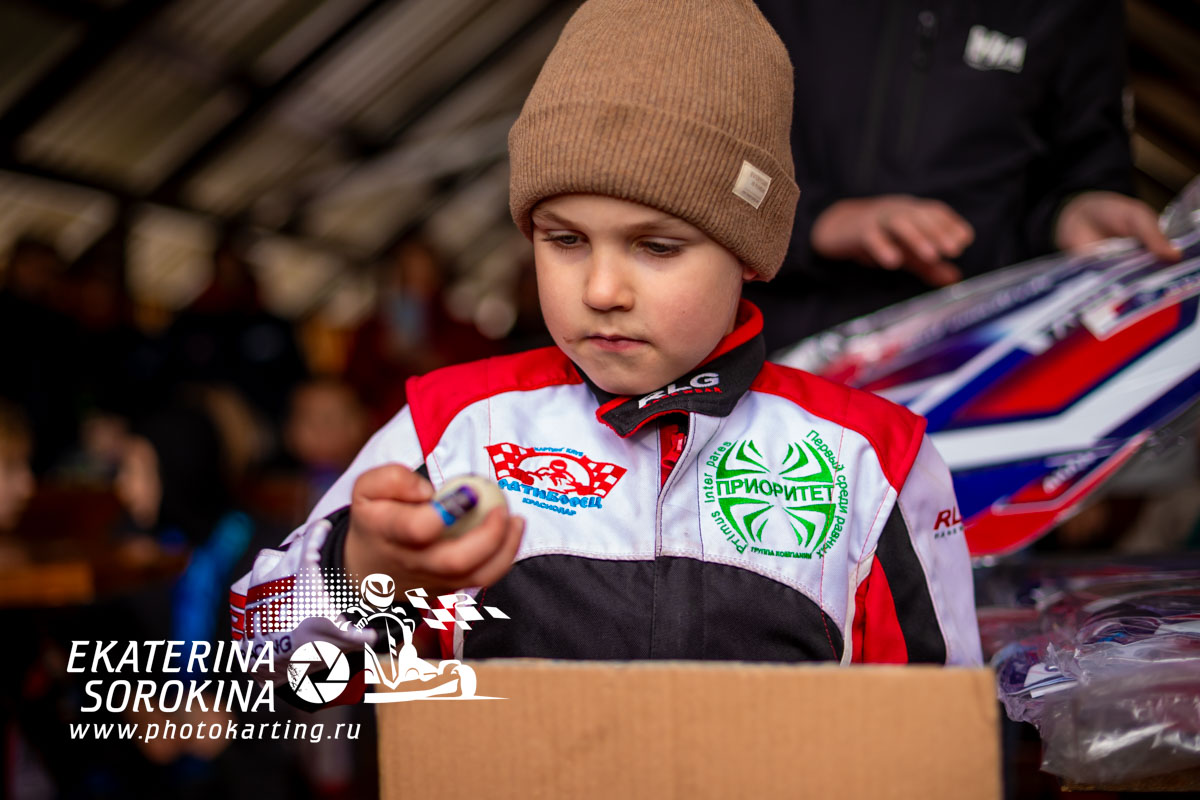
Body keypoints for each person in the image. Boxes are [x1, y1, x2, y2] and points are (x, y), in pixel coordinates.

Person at [233, 0, 982, 669]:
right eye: (564, 240)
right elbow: (264, 664)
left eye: (656, 247)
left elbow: (939, 736)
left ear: (751, 254)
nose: (600, 290)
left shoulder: (873, 459)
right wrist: (362, 572)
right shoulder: (455, 429)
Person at [747, 0, 1183, 347]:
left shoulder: (1074, 9)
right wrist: (815, 222)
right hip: (758, 333)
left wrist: (1073, 213)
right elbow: (707, 158)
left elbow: (1087, 163)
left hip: (972, 349)